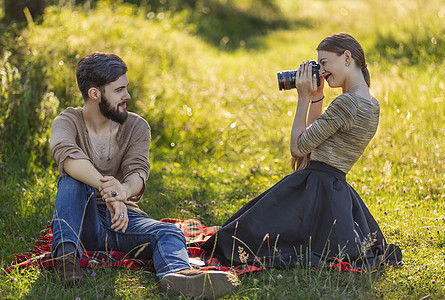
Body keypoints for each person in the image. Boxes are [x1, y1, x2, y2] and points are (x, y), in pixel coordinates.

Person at [201, 33, 402, 270]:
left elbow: (298, 148)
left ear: (347, 57)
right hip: (334, 190)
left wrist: (303, 98)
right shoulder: (370, 103)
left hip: (313, 189)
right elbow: (314, 141)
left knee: (232, 241)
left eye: (324, 63)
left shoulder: (346, 104)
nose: (322, 71)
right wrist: (317, 97)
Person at [50, 52, 237, 298]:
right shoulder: (67, 121)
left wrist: (123, 192)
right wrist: (110, 190)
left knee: (170, 232)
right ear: (95, 94)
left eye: (126, 88)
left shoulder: (137, 126)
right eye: (119, 90)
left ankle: (179, 275)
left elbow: (138, 172)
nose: (127, 96)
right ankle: (66, 261)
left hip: (123, 219)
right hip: (82, 219)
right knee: (71, 181)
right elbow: (68, 156)